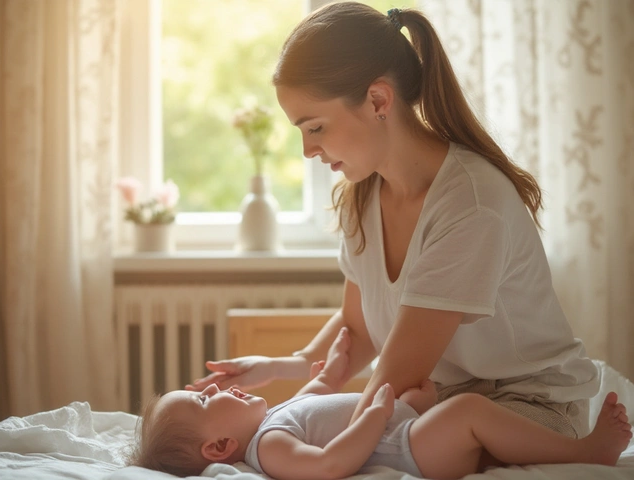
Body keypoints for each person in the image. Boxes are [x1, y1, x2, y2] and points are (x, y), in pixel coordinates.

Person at [188, 1, 601, 455]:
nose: (307, 150)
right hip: (448, 402)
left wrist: (286, 444)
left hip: (530, 411)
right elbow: (360, 330)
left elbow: (395, 377)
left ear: (378, 100)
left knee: (368, 434)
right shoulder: (361, 196)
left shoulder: (470, 206)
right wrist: (286, 365)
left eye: (316, 127)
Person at [132, 328, 632, 479]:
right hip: (405, 449)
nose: (215, 388)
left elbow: (319, 393)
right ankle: (585, 454)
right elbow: (329, 464)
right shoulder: (268, 449)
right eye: (203, 401)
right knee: (467, 414)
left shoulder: (274, 419)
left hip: (401, 427)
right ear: (220, 447)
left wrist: (330, 365)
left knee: (457, 407)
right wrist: (376, 417)